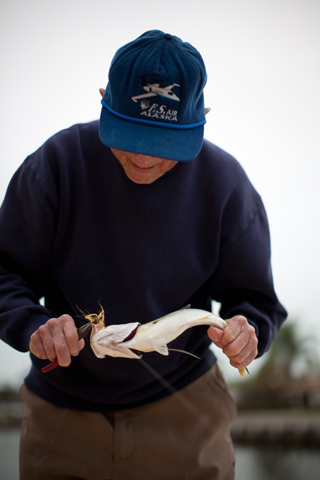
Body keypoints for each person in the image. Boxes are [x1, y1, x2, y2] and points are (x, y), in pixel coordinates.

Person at [0, 30, 286, 480]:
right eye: (130, 134)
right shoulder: (55, 165)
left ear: (202, 118)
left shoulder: (226, 184)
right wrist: (32, 326)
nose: (144, 159)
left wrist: (250, 332)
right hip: (61, 415)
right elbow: (5, 273)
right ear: (102, 101)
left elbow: (255, 301)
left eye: (165, 142)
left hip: (187, 413)